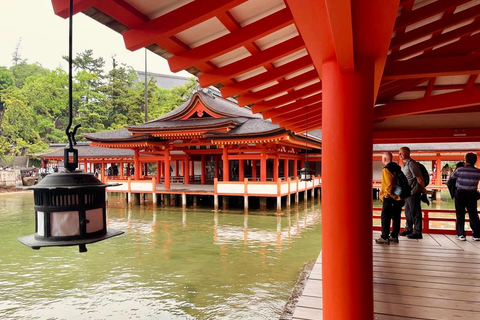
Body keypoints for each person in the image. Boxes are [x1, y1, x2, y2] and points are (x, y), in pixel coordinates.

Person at [448, 153, 480, 241]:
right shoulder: (478, 171)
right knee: (473, 214)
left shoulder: (460, 170)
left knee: (460, 214)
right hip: (472, 194)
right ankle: (476, 234)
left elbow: (452, 178)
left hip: (460, 193)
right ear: (475, 161)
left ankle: (461, 234)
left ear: (465, 160)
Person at [376, 152, 404, 245]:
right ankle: (394, 236)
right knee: (396, 217)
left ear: (384, 159)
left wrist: (386, 194)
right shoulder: (397, 167)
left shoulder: (386, 169)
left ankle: (384, 237)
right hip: (398, 196)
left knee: (385, 217)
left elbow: (388, 184)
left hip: (390, 197)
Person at [399, 147, 425, 239]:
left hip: (414, 191)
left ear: (407, 153)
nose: (400, 155)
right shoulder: (404, 164)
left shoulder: (412, 163)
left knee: (415, 211)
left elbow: (419, 178)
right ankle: (408, 229)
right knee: (408, 212)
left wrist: (423, 188)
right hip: (407, 192)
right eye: (399, 153)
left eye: (401, 153)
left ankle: (418, 231)